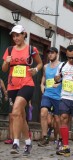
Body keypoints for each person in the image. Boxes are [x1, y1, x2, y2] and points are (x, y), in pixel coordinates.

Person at [2, 25, 43, 156]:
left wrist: (35, 70)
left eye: (18, 35)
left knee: (15, 112)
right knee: (21, 115)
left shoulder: (31, 49)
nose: (15, 38)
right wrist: (7, 62)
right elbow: (4, 69)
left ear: (24, 34)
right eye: (13, 36)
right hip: (12, 85)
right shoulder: (9, 50)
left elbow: (40, 63)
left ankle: (16, 142)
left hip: (27, 84)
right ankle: (28, 142)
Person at [38, 47, 61, 148]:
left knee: (57, 119)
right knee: (43, 112)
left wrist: (59, 82)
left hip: (58, 96)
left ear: (57, 54)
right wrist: (42, 85)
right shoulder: (45, 66)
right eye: (49, 53)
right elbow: (44, 77)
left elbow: (66, 78)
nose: (50, 55)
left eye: (52, 53)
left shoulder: (61, 66)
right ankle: (45, 137)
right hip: (47, 94)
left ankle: (58, 139)